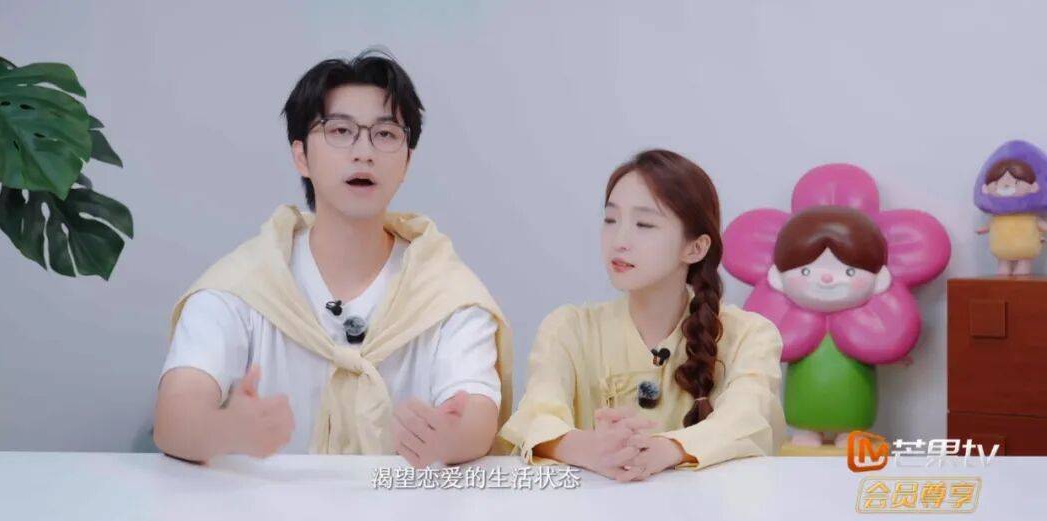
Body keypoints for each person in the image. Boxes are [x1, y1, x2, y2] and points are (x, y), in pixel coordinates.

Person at [153, 50, 512, 467]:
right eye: (340, 131)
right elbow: (173, 417)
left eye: (385, 134)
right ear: (301, 155)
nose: (364, 152)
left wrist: (448, 438)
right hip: (262, 500)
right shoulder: (243, 285)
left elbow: (476, 416)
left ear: (407, 161)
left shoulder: (445, 291)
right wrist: (226, 429)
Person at [500, 149, 785, 481]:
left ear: (695, 248)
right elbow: (535, 416)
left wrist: (664, 450)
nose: (619, 241)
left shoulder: (750, 336)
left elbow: (748, 421)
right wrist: (590, 449)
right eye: (610, 220)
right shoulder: (568, 329)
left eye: (644, 224)